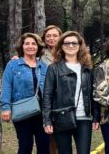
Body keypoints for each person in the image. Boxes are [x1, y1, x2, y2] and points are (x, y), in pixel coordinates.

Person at [42, 31, 100, 154]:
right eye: (66, 43)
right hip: (61, 118)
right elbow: (47, 95)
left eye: (74, 43)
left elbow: (93, 94)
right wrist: (47, 120)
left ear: (80, 45)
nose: (70, 45)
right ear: (61, 46)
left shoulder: (87, 69)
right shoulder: (53, 68)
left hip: (84, 119)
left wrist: (96, 116)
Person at [0, 33, 50, 154]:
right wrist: (5, 107)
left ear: (38, 47)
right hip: (22, 111)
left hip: (43, 114)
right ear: (21, 47)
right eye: (26, 43)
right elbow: (6, 86)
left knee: (44, 146)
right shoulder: (13, 65)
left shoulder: (44, 67)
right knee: (25, 145)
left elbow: (49, 90)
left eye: (33, 44)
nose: (30, 46)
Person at [41, 25, 63, 154]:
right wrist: (17, 59)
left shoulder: (68, 52)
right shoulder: (39, 54)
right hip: (47, 101)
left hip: (65, 102)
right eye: (48, 36)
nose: (51, 38)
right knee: (50, 139)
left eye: (55, 35)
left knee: (64, 139)